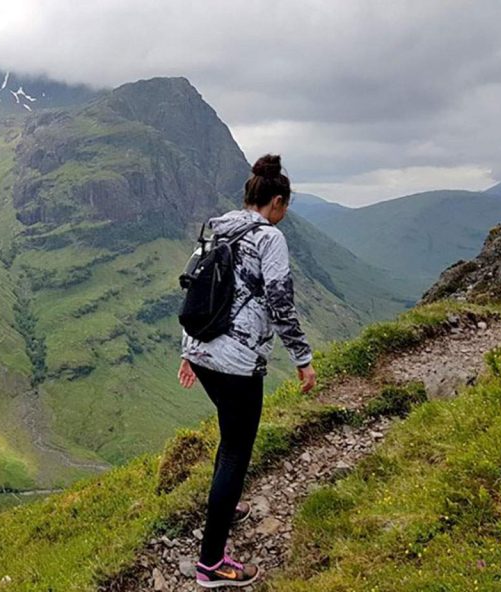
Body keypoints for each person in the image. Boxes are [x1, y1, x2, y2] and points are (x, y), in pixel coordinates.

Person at [178, 153, 317, 587]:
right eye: (285, 207)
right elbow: (280, 302)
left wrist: (189, 351)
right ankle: (212, 564)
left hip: (202, 352)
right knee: (237, 451)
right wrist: (303, 358)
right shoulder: (269, 239)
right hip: (236, 363)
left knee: (230, 437)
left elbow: (197, 287)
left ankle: (227, 503)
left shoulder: (218, 228)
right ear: (276, 201)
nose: (284, 214)